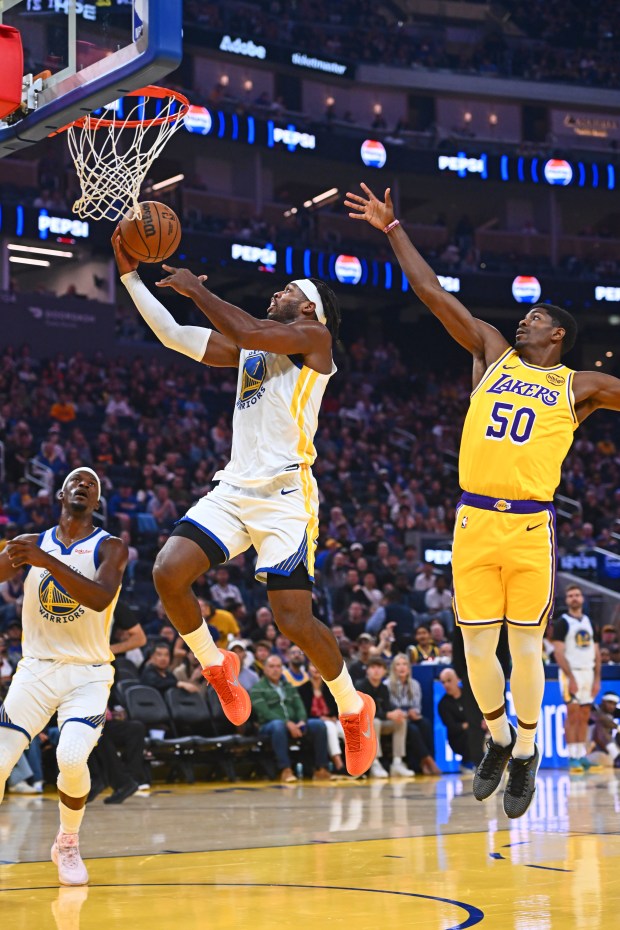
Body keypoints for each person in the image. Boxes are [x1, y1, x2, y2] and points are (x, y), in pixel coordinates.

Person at [346, 180, 620, 818]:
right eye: (526, 315)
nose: (525, 318)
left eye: (538, 317)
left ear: (558, 336)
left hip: (529, 527)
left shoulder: (578, 384)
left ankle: (525, 749)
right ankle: (497, 738)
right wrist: (393, 229)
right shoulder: (493, 352)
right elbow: (432, 292)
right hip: (472, 519)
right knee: (472, 646)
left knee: (524, 647)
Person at [112, 230, 376, 777]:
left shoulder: (315, 339)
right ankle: (216, 665)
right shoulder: (253, 349)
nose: (273, 294)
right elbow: (174, 336)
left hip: (286, 498)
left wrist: (196, 290)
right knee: (167, 573)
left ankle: (352, 706)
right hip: (234, 489)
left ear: (306, 307)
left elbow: (251, 326)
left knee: (293, 622)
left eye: (284, 290)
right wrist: (131, 277)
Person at [0, 467, 128, 884]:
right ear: (61, 493)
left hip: (88, 674)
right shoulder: (31, 544)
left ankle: (67, 842)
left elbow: (100, 597)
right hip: (35, 670)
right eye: (77, 479)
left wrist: (44, 560)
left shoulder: (110, 547)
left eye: (92, 483)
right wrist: (14, 556)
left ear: (96, 501)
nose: (84, 484)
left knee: (70, 759)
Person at [250, 654, 331, 782]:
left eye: (278, 666)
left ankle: (321, 768)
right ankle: (285, 769)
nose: (275, 669)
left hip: (293, 724)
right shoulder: (257, 689)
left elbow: (300, 707)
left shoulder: (289, 686)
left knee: (319, 725)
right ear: (264, 669)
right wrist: (287, 723)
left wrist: (302, 721)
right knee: (278, 725)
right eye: (271, 666)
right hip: (268, 726)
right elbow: (265, 713)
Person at [552, 584, 601, 772]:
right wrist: (570, 677)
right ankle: (572, 757)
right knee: (572, 714)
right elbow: (558, 653)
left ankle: (582, 755)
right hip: (570, 672)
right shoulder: (562, 622)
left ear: (582, 599)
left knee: (584, 714)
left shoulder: (590, 622)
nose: (574, 598)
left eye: (577, 595)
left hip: (588, 671)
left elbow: (596, 653)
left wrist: (597, 678)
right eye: (570, 595)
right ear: (567, 600)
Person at [357, 657, 414, 778]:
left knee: (400, 721)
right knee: (375, 721)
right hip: (361, 726)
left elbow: (387, 707)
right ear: (367, 671)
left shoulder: (383, 688)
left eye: (379, 668)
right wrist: (388, 715)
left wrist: (396, 712)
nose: (376, 671)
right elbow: (364, 712)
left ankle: (397, 763)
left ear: (384, 671)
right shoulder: (360, 685)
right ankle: (374, 762)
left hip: (378, 724)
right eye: (373, 667)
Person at [387, 653, 441, 775]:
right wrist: (405, 713)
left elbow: (417, 707)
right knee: (413, 729)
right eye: (398, 664)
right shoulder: (387, 685)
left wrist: (414, 712)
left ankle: (426, 760)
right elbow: (389, 706)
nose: (401, 667)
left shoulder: (415, 684)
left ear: (409, 668)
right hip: (397, 718)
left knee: (426, 724)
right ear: (394, 668)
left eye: (405, 664)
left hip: (411, 716)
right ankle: (428, 761)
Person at [438, 667, 485, 770]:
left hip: (477, 728)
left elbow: (480, 713)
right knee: (471, 732)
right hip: (458, 738)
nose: (446, 685)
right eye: (443, 682)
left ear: (457, 679)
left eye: (449, 680)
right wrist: (469, 724)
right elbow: (452, 726)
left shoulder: (469, 695)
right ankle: (468, 762)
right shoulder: (443, 704)